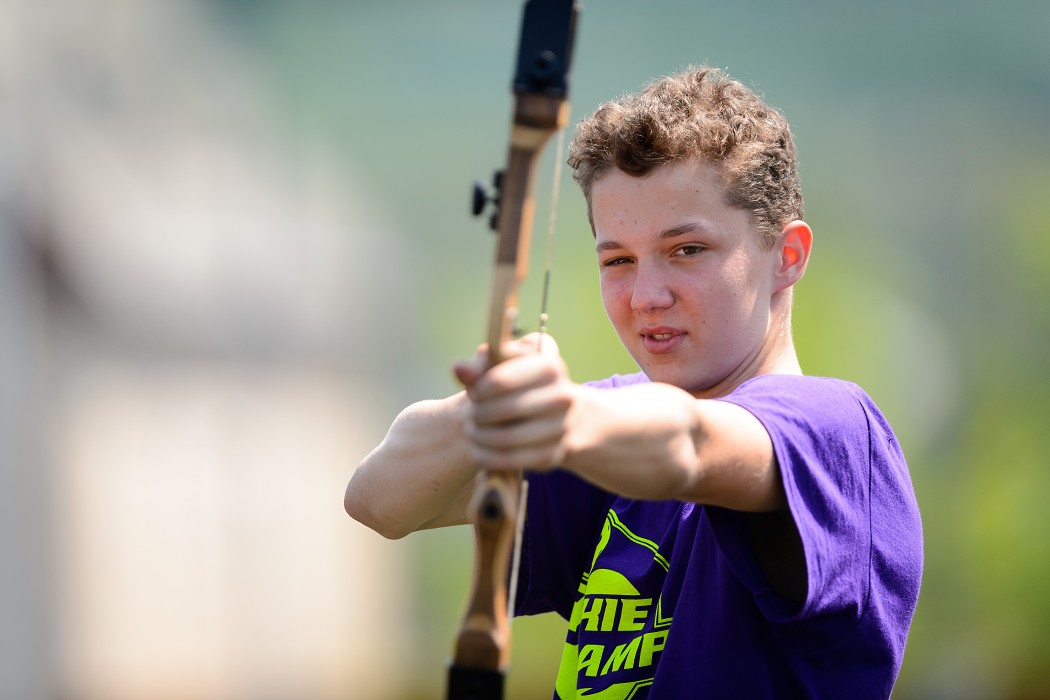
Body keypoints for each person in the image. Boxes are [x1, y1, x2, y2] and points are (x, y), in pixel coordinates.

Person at [345, 66, 923, 699]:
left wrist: (558, 415)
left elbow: (690, 446)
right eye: (618, 260)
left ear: (786, 255)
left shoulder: (834, 433)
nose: (646, 296)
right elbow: (380, 502)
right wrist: (482, 408)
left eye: (687, 250)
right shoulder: (610, 427)